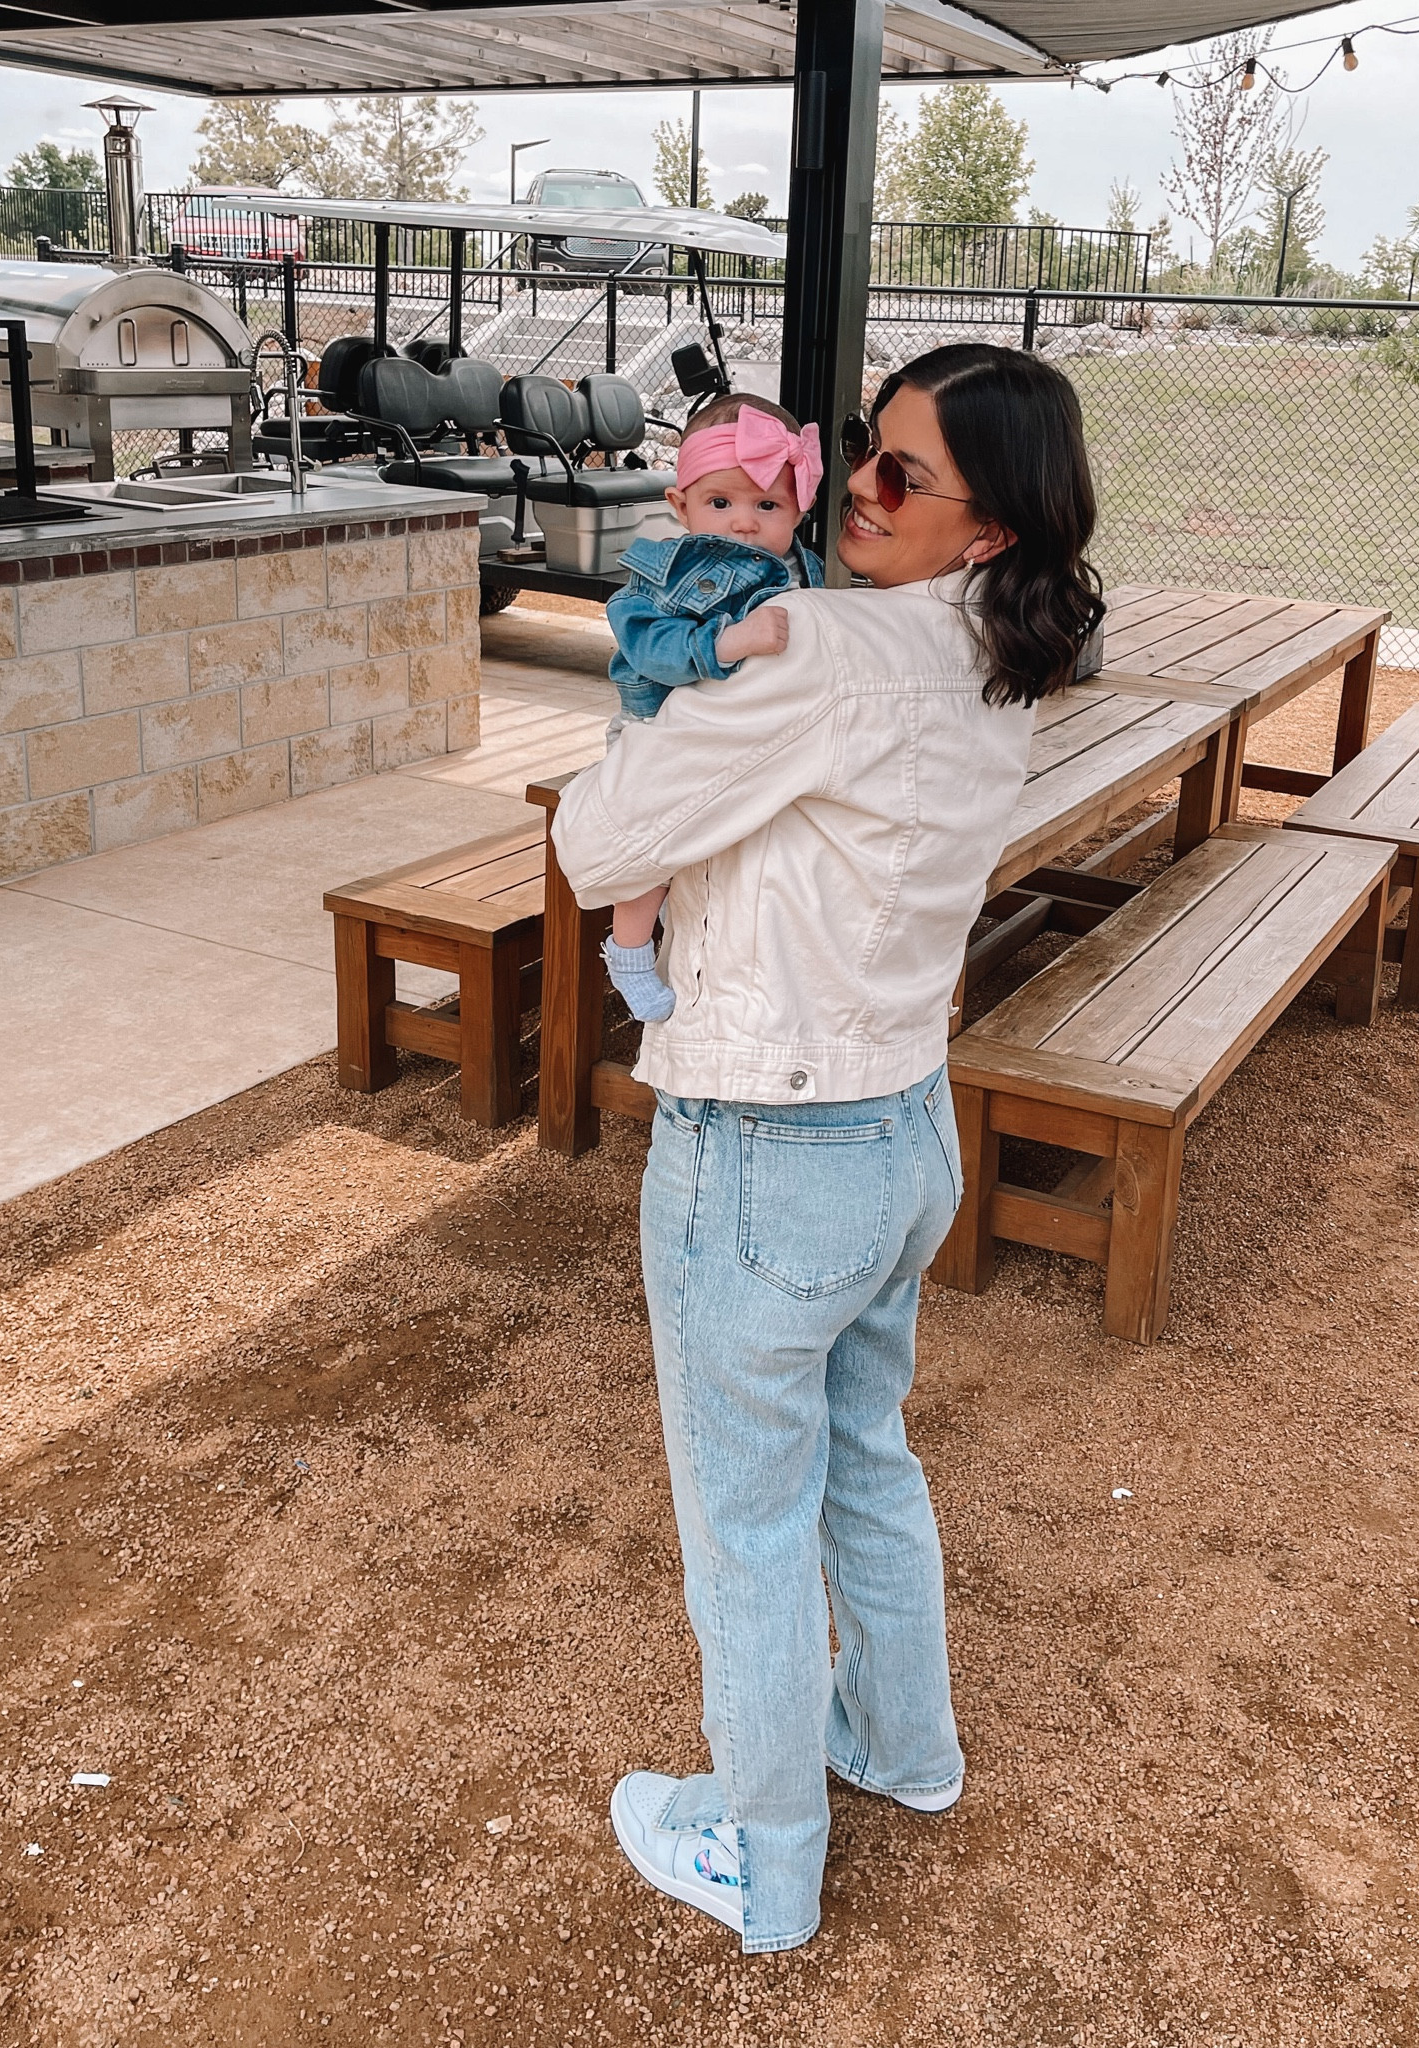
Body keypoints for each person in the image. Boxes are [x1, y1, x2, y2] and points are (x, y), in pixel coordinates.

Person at [551, 343, 1102, 1954]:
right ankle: (902, 1748)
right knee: (863, 1456)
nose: (856, 488)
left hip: (765, 1144)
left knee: (746, 1523)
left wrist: (662, 700)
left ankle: (764, 1855)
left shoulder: (829, 651)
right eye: (861, 454)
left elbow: (600, 844)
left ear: (984, 526)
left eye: (898, 475)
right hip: (896, 1122)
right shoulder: (991, 652)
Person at [600, 393, 826, 1024]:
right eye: (720, 503)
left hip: (744, 738)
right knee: (655, 843)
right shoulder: (665, 575)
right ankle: (629, 947)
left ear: (798, 509)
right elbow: (648, 647)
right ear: (681, 505)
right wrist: (725, 641)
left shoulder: (804, 572)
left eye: (767, 505)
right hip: (658, 730)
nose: (743, 523)